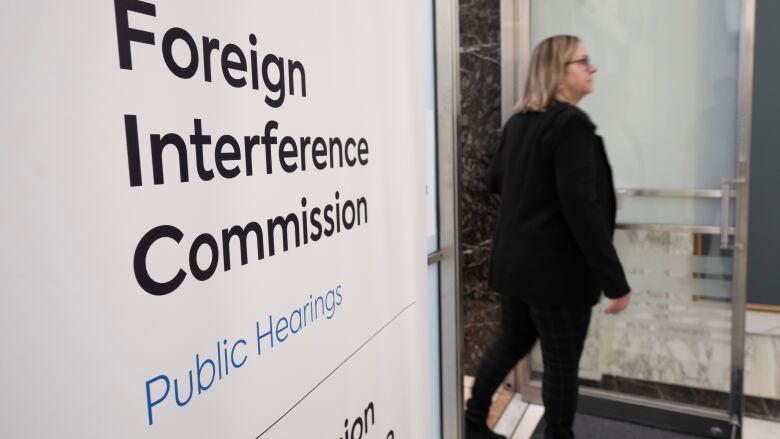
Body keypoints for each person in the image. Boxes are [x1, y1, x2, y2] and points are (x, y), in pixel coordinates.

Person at [465, 35, 632, 439]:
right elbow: (583, 210)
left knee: (510, 342)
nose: (592, 68)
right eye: (583, 61)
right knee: (561, 364)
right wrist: (615, 281)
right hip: (557, 276)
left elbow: (493, 181)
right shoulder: (570, 125)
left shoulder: (519, 123)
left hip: (517, 267)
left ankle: (472, 422)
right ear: (558, 73)